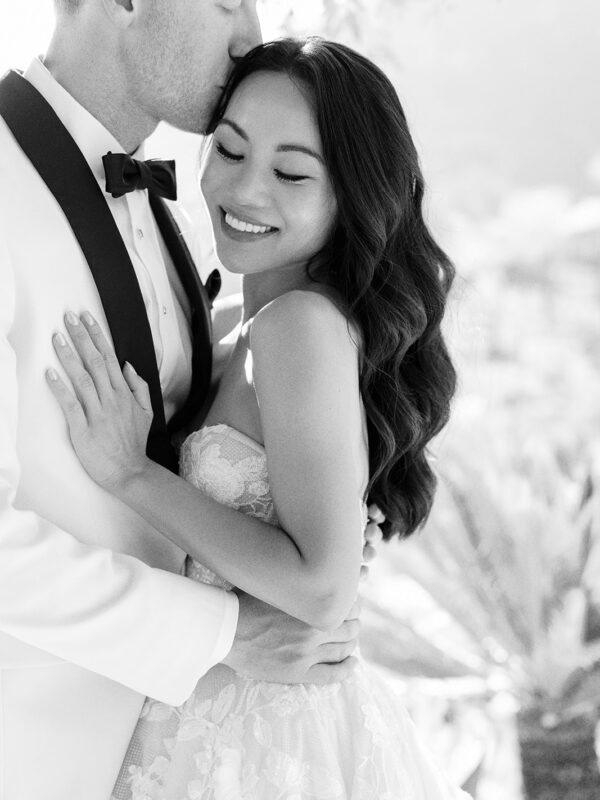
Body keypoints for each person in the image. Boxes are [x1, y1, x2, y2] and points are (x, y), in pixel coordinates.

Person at [47, 37, 468, 799]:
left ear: (353, 195)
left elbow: (319, 590)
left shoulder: (297, 326)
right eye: (232, 151)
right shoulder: (230, 314)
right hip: (211, 702)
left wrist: (132, 474)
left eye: (291, 172)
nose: (245, 192)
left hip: (265, 736)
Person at [0, 6, 373, 799]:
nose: (251, 32)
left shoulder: (178, 223)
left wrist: (321, 522)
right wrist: (227, 632)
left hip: (195, 753)